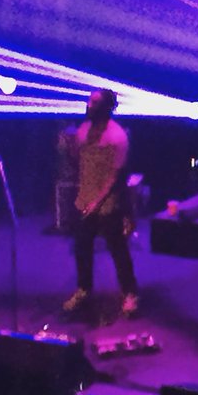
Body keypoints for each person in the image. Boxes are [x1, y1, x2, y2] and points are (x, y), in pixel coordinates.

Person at [62, 89, 139, 316]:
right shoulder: (84, 130)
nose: (89, 105)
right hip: (85, 200)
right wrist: (68, 147)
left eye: (95, 102)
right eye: (89, 101)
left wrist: (98, 201)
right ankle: (84, 290)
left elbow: (116, 177)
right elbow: (77, 163)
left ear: (107, 107)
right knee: (82, 248)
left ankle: (130, 294)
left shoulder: (117, 136)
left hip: (107, 203)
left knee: (118, 249)